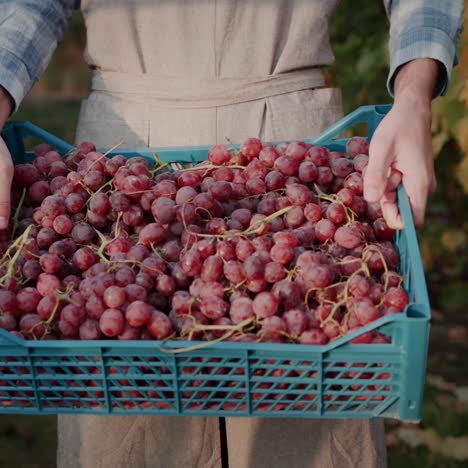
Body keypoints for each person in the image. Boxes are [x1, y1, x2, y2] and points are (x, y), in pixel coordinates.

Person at [0, 1, 463, 467]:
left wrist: (414, 95)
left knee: (308, 420)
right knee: (130, 433)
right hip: (124, 156)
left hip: (295, 166)